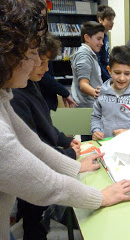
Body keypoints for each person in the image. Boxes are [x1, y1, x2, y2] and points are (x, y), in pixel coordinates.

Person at [0, 1, 130, 239]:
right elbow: (44, 184)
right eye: (33, 54)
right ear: (7, 56)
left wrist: (76, 165)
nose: (38, 64)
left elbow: (33, 146)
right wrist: (101, 197)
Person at [10, 32, 81, 239]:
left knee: (39, 219)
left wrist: (65, 140)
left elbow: (46, 126)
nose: (46, 68)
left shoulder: (31, 85)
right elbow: (32, 147)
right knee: (33, 221)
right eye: (42, 62)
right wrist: (69, 156)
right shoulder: (16, 97)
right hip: (36, 173)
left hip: (48, 164)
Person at [91, 46, 130, 140]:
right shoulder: (101, 92)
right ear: (109, 70)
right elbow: (96, 117)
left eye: (127, 73)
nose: (122, 78)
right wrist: (95, 130)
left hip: (129, 143)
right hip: (105, 143)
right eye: (117, 73)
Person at [70, 21, 105, 108]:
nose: (102, 43)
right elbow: (83, 85)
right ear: (87, 38)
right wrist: (101, 95)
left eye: (102, 39)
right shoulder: (84, 56)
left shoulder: (90, 54)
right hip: (87, 106)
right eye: (98, 39)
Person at [96, 4, 115, 82]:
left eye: (113, 19)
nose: (112, 22)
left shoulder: (106, 35)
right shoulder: (98, 37)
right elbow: (98, 61)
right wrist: (108, 77)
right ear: (100, 20)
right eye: (109, 20)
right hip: (101, 77)